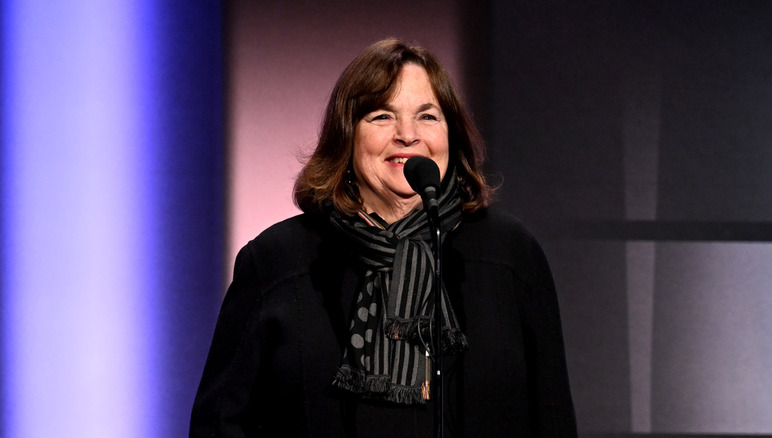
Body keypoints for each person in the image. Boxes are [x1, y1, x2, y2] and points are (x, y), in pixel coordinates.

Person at [190, 38, 577, 437]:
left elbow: (551, 416)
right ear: (347, 135)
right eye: (381, 116)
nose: (407, 135)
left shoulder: (509, 253)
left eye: (428, 117)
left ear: (452, 134)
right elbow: (220, 424)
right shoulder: (279, 260)